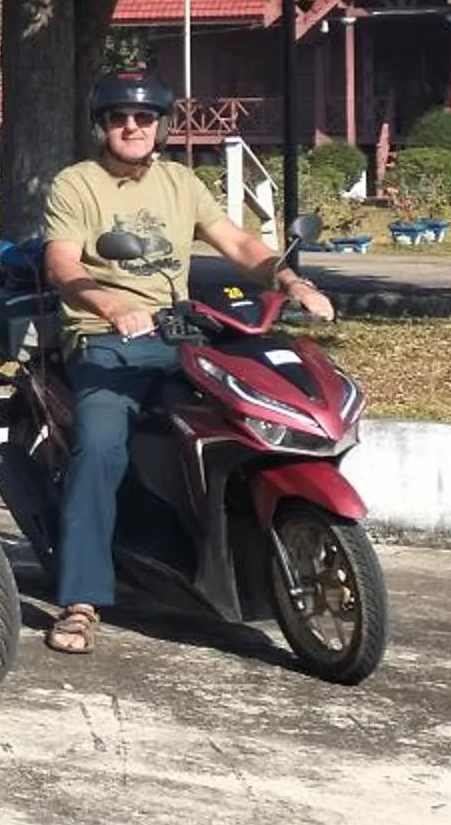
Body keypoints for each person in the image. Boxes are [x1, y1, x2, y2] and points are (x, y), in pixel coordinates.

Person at [38, 69, 332, 655]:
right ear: (102, 125)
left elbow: (242, 246)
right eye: (119, 117)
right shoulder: (78, 184)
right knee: (100, 448)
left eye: (143, 118)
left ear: (161, 126)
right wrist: (110, 303)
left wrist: (293, 282)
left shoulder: (181, 182)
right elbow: (62, 265)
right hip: (106, 338)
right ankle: (81, 600)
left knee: (249, 409)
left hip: (180, 333)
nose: (132, 127)